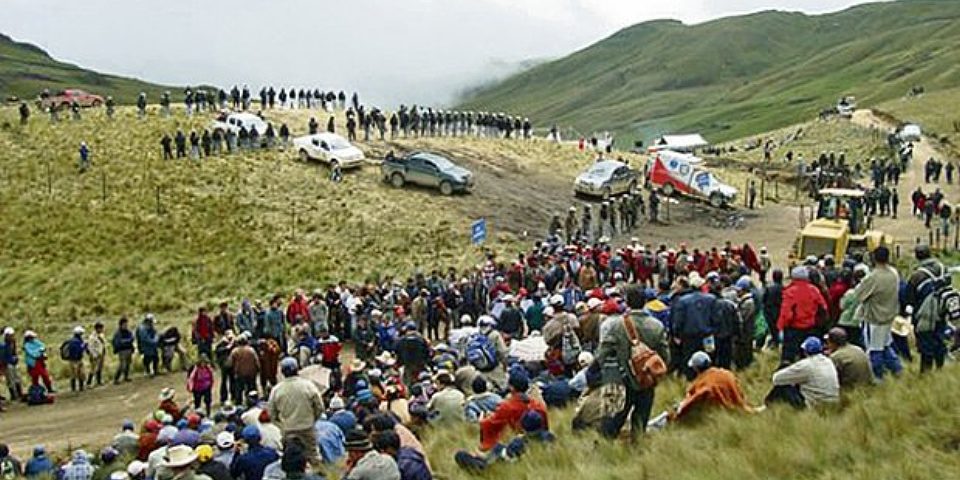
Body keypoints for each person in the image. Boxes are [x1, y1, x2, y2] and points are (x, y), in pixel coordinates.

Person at [592, 309, 669, 440]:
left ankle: (604, 448)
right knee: (641, 418)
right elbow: (665, 354)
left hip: (620, 378)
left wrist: (599, 368)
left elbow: (603, 352)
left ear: (628, 303)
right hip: (647, 379)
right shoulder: (656, 325)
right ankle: (637, 448)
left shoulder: (617, 325)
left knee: (615, 417)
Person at [663, 351, 755, 423]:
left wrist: (675, 416)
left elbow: (691, 402)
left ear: (696, 368)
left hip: (719, 414)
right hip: (738, 409)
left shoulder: (701, 383)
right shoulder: (727, 373)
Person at [853, 246, 902, 379]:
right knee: (885, 345)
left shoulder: (873, 277)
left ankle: (877, 377)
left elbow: (858, 295)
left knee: (874, 349)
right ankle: (897, 370)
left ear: (874, 258)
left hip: (874, 318)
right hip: (889, 315)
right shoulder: (894, 273)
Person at [267, 358, 324, 468]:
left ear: (282, 372)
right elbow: (319, 407)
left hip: (288, 429)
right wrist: (312, 419)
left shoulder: (277, 390)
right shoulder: (308, 385)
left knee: (290, 457)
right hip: (307, 426)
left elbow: (271, 413)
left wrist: (282, 424)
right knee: (313, 455)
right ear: (297, 369)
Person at [905, 244, 949, 372]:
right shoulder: (942, 268)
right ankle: (940, 366)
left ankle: (926, 372)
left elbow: (909, 298)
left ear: (917, 256)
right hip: (941, 310)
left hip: (923, 314)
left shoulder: (917, 276)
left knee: (925, 342)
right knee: (939, 338)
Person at [766, 337, 839, 408]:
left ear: (805, 351)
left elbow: (776, 378)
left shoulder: (806, 365)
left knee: (782, 385)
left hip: (814, 404)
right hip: (833, 403)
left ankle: (767, 406)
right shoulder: (828, 361)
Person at [777, 266, 827, 365]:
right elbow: (823, 307)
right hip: (810, 327)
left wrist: (781, 326)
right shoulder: (814, 290)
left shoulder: (790, 291)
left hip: (793, 328)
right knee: (806, 355)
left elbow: (786, 313)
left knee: (788, 355)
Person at [63, 326, 88, 392]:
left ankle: (74, 388)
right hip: (76, 360)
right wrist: (84, 346)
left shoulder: (74, 340)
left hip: (73, 360)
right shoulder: (76, 341)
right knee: (79, 373)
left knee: (75, 374)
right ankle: (80, 388)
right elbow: (79, 349)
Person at [112, 316, 135, 384]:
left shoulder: (128, 332)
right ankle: (116, 378)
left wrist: (128, 343)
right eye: (124, 324)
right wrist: (128, 341)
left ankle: (126, 377)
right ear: (121, 324)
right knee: (122, 365)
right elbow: (119, 342)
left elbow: (131, 339)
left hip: (128, 349)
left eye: (126, 324)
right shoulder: (118, 333)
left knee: (128, 364)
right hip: (122, 351)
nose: (126, 326)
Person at [86, 321, 106, 387]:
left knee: (100, 368)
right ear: (98, 328)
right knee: (93, 369)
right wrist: (94, 355)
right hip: (95, 355)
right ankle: (89, 383)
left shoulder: (101, 335)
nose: (102, 329)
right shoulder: (92, 337)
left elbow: (103, 344)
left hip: (101, 354)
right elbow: (90, 347)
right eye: (101, 328)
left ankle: (99, 381)